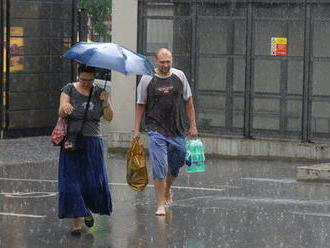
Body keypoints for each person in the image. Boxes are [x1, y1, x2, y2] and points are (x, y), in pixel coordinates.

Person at [133, 48, 198, 216]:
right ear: (156, 61)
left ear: (172, 60)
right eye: (162, 62)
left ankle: (168, 188)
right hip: (155, 129)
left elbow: (188, 102)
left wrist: (193, 125)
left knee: (178, 161)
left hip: (176, 129)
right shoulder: (147, 78)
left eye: (168, 61)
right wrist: (136, 129)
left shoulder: (179, 76)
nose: (165, 65)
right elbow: (140, 104)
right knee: (159, 165)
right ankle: (160, 204)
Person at [57, 64, 114, 235]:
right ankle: (77, 222)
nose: (86, 83)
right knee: (71, 182)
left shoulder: (99, 93)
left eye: (90, 80)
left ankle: (87, 209)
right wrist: (65, 109)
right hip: (73, 141)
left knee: (93, 182)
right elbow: (61, 111)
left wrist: (105, 102)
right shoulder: (69, 89)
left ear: (94, 78)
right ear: (78, 76)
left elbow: (109, 118)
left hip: (93, 142)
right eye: (83, 79)